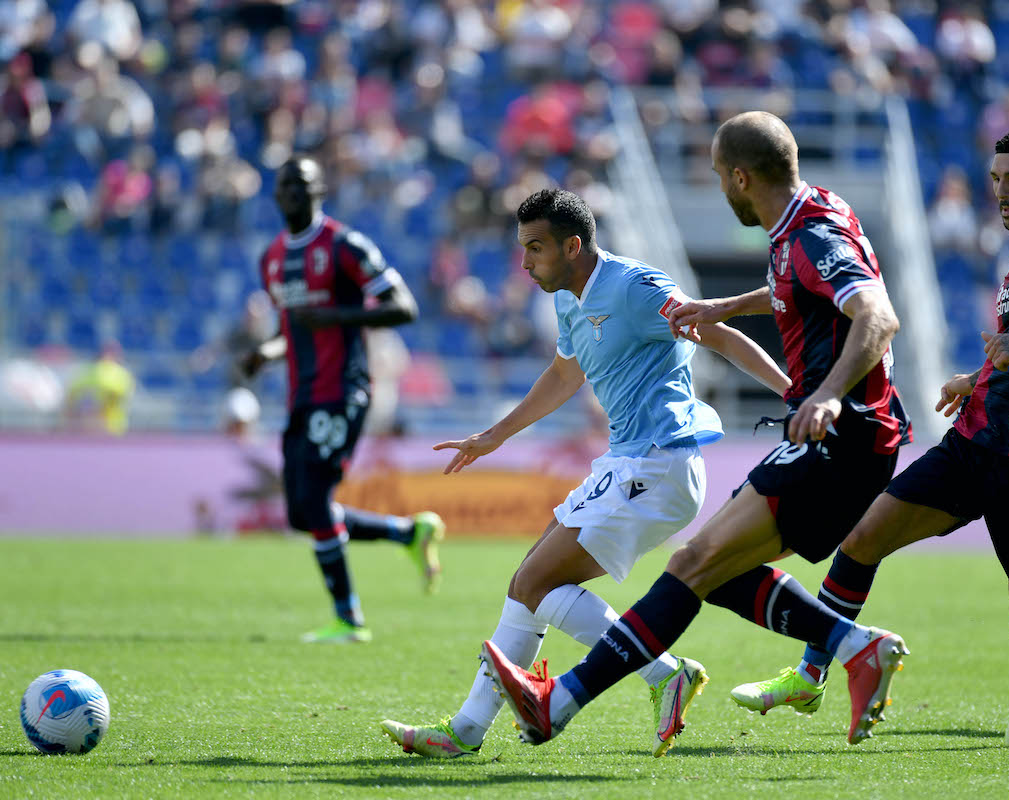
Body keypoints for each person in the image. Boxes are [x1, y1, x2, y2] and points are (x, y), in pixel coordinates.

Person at [479, 111, 913, 750]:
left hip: (838, 434)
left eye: (717, 175)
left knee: (687, 564)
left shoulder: (808, 235)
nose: (717, 188)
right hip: (846, 435)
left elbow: (877, 314)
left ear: (741, 176)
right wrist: (730, 303)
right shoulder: (813, 217)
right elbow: (793, 288)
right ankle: (854, 646)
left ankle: (564, 699)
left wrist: (821, 394)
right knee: (710, 568)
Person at [735, 125, 1009, 747]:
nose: (1000, 192)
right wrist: (975, 377)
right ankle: (813, 672)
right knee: (863, 536)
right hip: (976, 441)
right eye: (995, 180)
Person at [381, 188, 792, 759]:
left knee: (534, 583)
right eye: (522, 248)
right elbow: (563, 374)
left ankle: (665, 674)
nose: (525, 263)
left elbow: (717, 332)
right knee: (526, 584)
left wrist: (795, 394)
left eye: (536, 249)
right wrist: (493, 436)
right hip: (629, 462)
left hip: (660, 461)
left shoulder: (633, 287)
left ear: (574, 246)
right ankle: (466, 731)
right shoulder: (568, 298)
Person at [241, 155, 444, 644]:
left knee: (313, 500)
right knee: (300, 513)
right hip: (301, 394)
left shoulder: (345, 245)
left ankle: (348, 619)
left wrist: (334, 316)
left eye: (304, 185)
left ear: (320, 190)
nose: (294, 193)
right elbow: (287, 328)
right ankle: (408, 534)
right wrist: (265, 353)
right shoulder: (271, 259)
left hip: (343, 391)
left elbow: (403, 307)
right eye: (286, 185)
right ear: (276, 196)